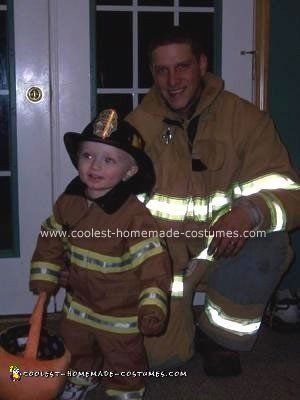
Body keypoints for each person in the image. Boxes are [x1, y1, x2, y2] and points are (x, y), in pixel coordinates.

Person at [125, 26, 300, 376]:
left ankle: (219, 338)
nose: (172, 80)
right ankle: (179, 326)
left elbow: (290, 193)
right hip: (163, 255)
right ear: (153, 73)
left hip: (225, 247)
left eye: (182, 67)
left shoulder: (247, 121)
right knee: (162, 360)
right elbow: (108, 203)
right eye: (162, 70)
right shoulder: (135, 128)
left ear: (202, 64)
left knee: (270, 246)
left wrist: (249, 213)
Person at [29, 109, 171, 400]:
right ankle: (81, 378)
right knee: (75, 345)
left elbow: (154, 265)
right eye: (88, 156)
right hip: (78, 303)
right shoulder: (69, 201)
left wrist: (153, 306)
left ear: (129, 171)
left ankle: (125, 391)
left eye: (109, 160)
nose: (95, 166)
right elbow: (51, 237)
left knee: (123, 358)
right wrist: (45, 276)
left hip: (120, 312)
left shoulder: (134, 218)